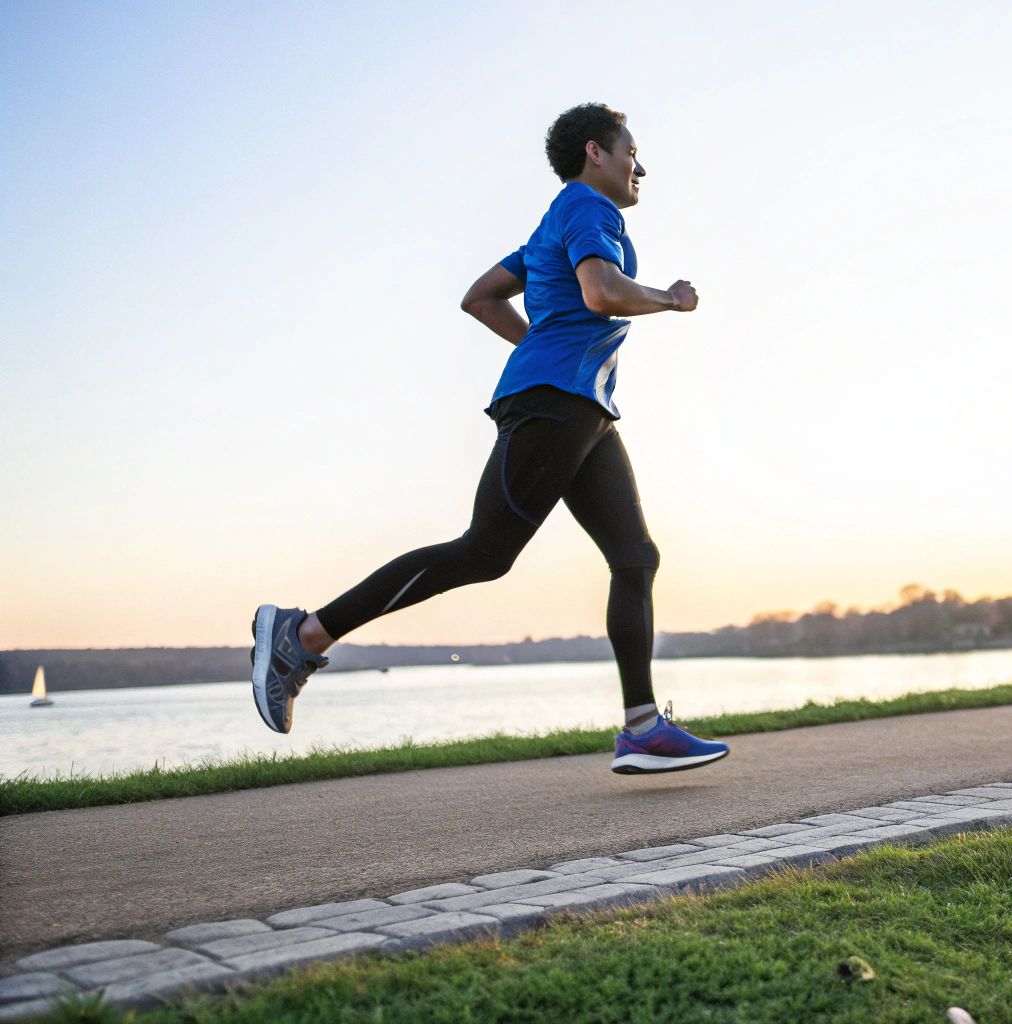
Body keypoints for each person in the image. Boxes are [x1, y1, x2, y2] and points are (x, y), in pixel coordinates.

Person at [249, 103, 728, 775]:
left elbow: (481, 297)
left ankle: (643, 727)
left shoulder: (552, 223)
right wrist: (671, 298)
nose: (639, 165)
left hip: (581, 408)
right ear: (596, 153)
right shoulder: (591, 210)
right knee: (484, 552)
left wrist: (542, 344)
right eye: (630, 151)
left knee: (635, 557)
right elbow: (601, 291)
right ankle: (299, 635)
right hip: (554, 404)